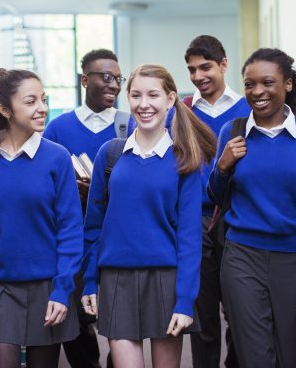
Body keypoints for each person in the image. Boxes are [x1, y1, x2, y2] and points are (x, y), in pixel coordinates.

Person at [81, 64, 216, 368]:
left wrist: (184, 301)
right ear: (127, 98)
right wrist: (89, 281)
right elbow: (94, 225)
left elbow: (190, 238)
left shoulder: (185, 160)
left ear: (170, 100)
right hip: (116, 280)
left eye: (153, 95)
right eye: (136, 95)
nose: (144, 104)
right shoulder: (111, 154)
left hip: (166, 281)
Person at [208, 48, 296, 368]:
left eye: (267, 83)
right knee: (256, 357)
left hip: (293, 261)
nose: (257, 92)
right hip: (241, 257)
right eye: (249, 85)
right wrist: (222, 167)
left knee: (290, 357)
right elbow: (216, 198)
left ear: (287, 84)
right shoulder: (232, 133)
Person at [0, 68, 83, 368]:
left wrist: (62, 289)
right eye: (31, 101)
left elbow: (70, 230)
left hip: (46, 287)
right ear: (4, 109)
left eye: (44, 99)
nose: (42, 108)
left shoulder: (57, 157)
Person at [43, 49, 128, 368]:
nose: (114, 85)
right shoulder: (57, 129)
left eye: (118, 79)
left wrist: (98, 193)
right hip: (74, 237)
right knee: (78, 314)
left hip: (119, 235)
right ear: (84, 80)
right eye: (106, 77)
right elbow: (45, 181)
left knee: (120, 311)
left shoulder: (128, 125)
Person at [184, 35, 250, 368]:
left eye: (205, 67)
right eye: (192, 69)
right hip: (195, 222)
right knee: (203, 316)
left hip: (236, 219)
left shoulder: (249, 109)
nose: (198, 76)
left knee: (239, 313)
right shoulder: (182, 112)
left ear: (224, 64)